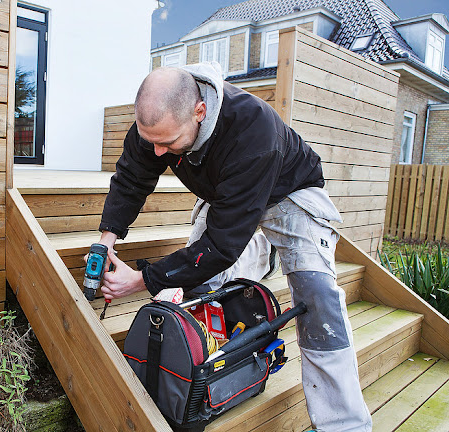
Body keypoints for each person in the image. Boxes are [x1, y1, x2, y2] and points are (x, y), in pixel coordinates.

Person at [94, 63, 372, 431]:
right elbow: (131, 178)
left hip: (291, 196)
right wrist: (106, 240)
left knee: (318, 297)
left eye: (168, 143)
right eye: (151, 142)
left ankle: (345, 424)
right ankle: (201, 385)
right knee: (196, 291)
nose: (158, 152)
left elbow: (220, 247)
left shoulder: (253, 130)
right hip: (227, 196)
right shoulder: (159, 122)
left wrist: (142, 280)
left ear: (200, 111)